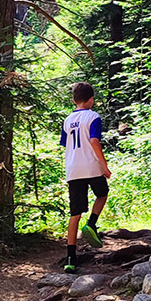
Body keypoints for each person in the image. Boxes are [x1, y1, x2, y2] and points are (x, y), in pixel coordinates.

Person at [60, 81, 111, 273]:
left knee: (75, 213)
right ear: (91, 100)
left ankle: (70, 258)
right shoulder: (93, 116)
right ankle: (91, 224)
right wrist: (103, 165)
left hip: (73, 168)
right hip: (91, 166)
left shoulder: (67, 120)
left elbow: (66, 144)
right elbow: (94, 141)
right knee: (102, 194)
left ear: (74, 100)